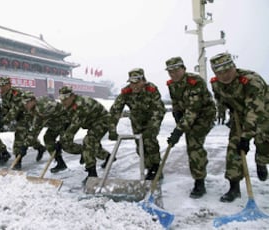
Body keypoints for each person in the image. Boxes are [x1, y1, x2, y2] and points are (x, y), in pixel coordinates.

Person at [209, 52, 269, 202]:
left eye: (227, 71)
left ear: (234, 67)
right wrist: (224, 110)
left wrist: (246, 137)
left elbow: (255, 110)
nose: (224, 76)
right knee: (234, 149)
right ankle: (234, 187)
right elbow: (219, 98)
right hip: (240, 116)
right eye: (219, 72)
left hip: (264, 114)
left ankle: (261, 162)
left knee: (263, 143)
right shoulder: (216, 83)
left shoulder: (251, 81)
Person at [165, 57, 216, 198]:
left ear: (183, 68)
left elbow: (194, 109)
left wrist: (179, 130)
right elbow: (176, 102)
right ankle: (199, 170)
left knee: (193, 143)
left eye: (176, 70)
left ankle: (199, 182)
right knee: (191, 142)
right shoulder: (171, 84)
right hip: (188, 115)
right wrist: (177, 116)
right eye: (170, 71)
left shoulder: (195, 82)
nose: (173, 74)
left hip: (204, 115)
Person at [109, 68, 166, 180]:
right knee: (140, 146)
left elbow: (159, 109)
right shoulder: (126, 92)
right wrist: (112, 129)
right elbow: (115, 110)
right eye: (131, 83)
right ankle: (149, 166)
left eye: (137, 82)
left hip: (151, 119)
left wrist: (153, 127)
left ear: (143, 81)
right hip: (136, 121)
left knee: (150, 142)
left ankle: (155, 168)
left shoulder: (151, 89)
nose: (134, 85)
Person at [58, 86, 111, 184]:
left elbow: (74, 127)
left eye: (65, 97)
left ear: (72, 96)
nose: (63, 100)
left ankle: (92, 174)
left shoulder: (81, 105)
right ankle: (108, 157)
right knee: (91, 146)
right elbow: (66, 123)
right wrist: (61, 139)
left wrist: (63, 141)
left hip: (103, 121)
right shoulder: (67, 105)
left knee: (88, 141)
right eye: (61, 98)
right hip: (91, 123)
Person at [22, 91, 83, 173]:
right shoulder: (34, 106)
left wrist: (25, 146)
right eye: (23, 102)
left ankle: (86, 150)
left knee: (66, 145)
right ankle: (60, 164)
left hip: (66, 122)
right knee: (48, 138)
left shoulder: (42, 108)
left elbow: (36, 129)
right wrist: (25, 145)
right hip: (55, 124)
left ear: (32, 100)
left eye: (26, 102)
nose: (24, 105)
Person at [0, 77, 46, 170]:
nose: (2, 88)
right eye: (0, 86)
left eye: (4, 85)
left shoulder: (17, 94)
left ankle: (17, 161)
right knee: (27, 136)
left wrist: (4, 121)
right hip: (18, 117)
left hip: (27, 115)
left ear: (9, 85)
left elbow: (15, 110)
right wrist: (1, 119)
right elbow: (5, 108)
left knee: (19, 136)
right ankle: (40, 147)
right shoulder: (4, 94)